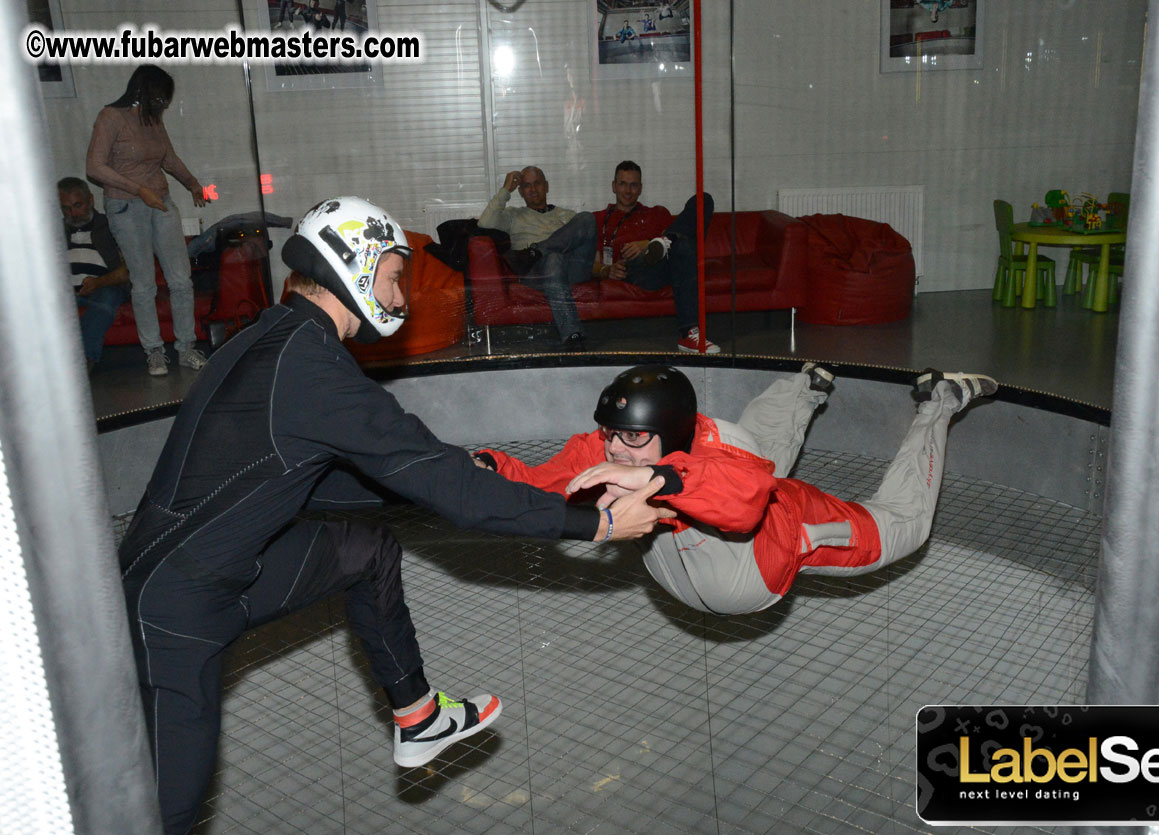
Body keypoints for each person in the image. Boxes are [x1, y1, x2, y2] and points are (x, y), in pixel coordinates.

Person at [117, 196, 673, 834]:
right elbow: (448, 488)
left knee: (364, 551)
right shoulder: (313, 370)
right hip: (170, 613)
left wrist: (456, 478)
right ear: (352, 266)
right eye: (392, 276)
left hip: (222, 575)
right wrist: (595, 525)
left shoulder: (279, 339)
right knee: (164, 818)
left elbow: (317, 485)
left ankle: (418, 715)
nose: (401, 297)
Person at [475, 363, 998, 616]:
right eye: (612, 435)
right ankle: (809, 383)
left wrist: (658, 478)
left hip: (773, 547)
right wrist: (483, 468)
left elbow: (744, 503)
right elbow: (541, 482)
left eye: (633, 438)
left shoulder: (718, 458)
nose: (616, 451)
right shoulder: (612, 448)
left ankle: (942, 398)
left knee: (906, 522)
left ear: (671, 434)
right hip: (686, 570)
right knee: (753, 447)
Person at [86, 65, 210, 377]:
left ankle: (186, 347)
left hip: (160, 202)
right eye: (161, 98)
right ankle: (154, 351)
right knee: (143, 284)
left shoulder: (152, 119)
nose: (164, 105)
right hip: (126, 206)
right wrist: (139, 190)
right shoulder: (111, 117)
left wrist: (193, 183)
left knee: (181, 279)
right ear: (144, 91)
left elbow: (168, 158)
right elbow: (94, 167)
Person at [593, 161, 718, 353]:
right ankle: (662, 244)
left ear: (640, 188)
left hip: (669, 266)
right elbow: (591, 262)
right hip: (636, 270)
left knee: (704, 200)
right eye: (623, 184)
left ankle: (689, 335)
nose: (628, 191)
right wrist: (607, 270)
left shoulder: (657, 213)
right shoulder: (600, 219)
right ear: (613, 186)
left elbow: (687, 238)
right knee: (678, 246)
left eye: (634, 185)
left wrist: (647, 242)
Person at [478, 166, 598, 348]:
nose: (533, 190)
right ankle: (572, 334)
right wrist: (505, 190)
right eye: (527, 186)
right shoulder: (513, 216)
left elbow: (586, 247)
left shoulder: (565, 216)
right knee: (554, 258)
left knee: (587, 218)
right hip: (535, 273)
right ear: (521, 191)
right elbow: (485, 223)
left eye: (537, 184)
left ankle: (538, 250)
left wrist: (603, 269)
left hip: (570, 270)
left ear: (547, 186)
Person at [58, 176, 130, 374]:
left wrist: (99, 282)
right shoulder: (55, 232)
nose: (73, 213)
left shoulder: (110, 227)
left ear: (91, 200)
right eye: (66, 208)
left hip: (105, 286)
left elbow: (129, 270)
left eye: (78, 205)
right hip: (67, 291)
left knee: (107, 297)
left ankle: (82, 361)